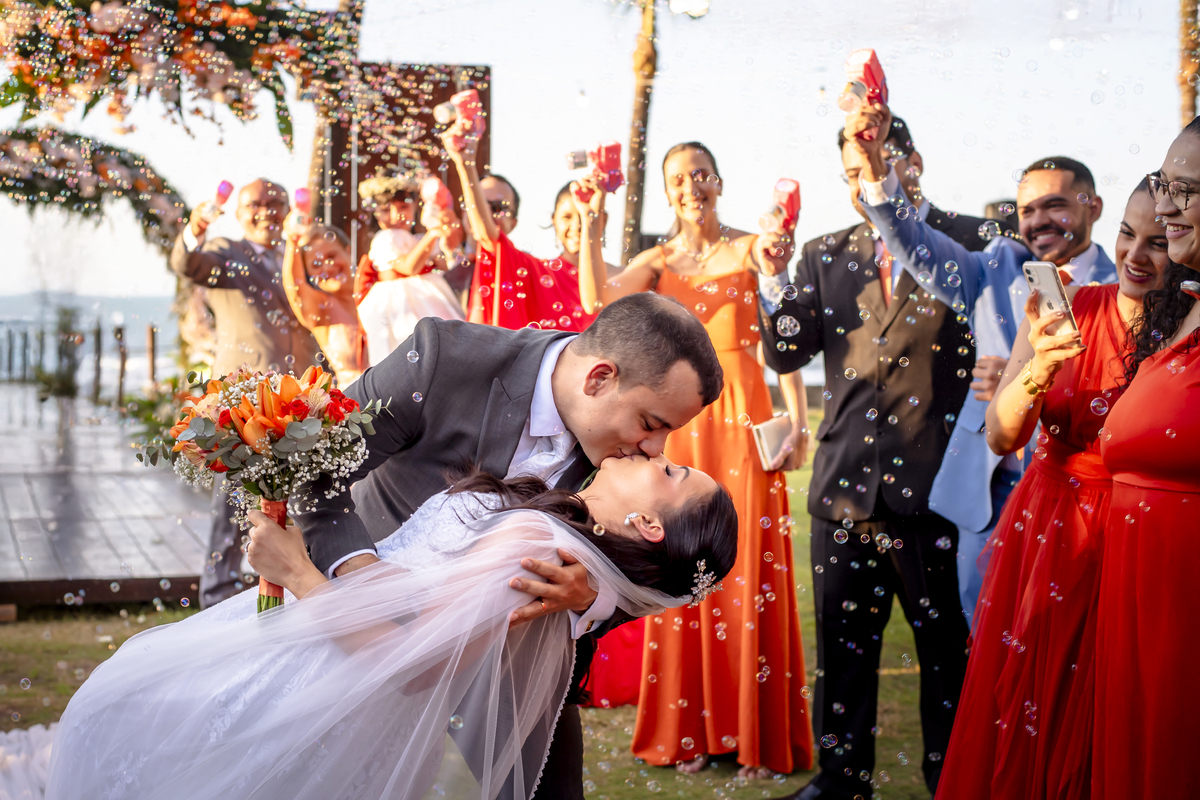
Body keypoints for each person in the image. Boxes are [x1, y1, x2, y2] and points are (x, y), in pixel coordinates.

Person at [29, 454, 738, 799]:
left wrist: (301, 572)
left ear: (648, 525)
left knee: (120, 714)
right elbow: (420, 602)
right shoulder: (565, 552)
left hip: (327, 675)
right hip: (327, 656)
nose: (655, 449)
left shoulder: (540, 552)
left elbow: (412, 663)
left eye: (670, 470)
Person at [271, 290, 723, 800]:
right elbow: (314, 470)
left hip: (518, 664)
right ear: (599, 378)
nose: (654, 449)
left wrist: (590, 599)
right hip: (372, 634)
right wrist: (361, 578)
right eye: (651, 423)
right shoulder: (442, 359)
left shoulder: (627, 468)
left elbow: (658, 564)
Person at [760, 117, 998, 800]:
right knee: (842, 656)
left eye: (873, 162)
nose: (860, 180)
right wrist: (774, 279)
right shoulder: (823, 252)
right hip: (843, 495)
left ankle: (950, 780)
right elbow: (786, 352)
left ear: (910, 160)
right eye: (850, 171)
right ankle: (840, 783)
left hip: (940, 496)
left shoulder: (972, 242)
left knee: (946, 658)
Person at [578, 141, 813, 779]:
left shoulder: (750, 246)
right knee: (684, 562)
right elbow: (599, 297)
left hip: (745, 419)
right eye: (677, 179)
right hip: (685, 422)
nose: (690, 187)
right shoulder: (656, 261)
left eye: (700, 175)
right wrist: (594, 221)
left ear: (719, 182)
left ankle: (757, 738)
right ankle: (692, 731)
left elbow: (779, 338)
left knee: (750, 569)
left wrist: (794, 418)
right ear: (666, 189)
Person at [931, 180, 1167, 800]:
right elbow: (1003, 435)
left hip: (1134, 536)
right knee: (1029, 697)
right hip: (1047, 527)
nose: (1136, 255)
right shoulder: (1069, 305)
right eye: (1127, 234)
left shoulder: (1183, 332)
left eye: (1159, 241)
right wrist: (1039, 364)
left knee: (1109, 702)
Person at [847, 101, 1117, 631]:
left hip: (1081, 495)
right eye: (1028, 210)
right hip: (990, 494)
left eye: (1055, 206)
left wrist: (1020, 387)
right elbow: (917, 245)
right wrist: (877, 165)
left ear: (1093, 205)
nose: (1038, 221)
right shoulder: (995, 267)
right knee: (987, 634)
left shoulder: (1123, 284)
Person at [1092, 123, 1200, 800]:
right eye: (1165, 185)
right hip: (1133, 586)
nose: (1164, 207)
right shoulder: (1179, 305)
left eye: (1186, 191)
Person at [170, 178, 324, 608]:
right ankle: (217, 592)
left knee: (293, 495)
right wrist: (196, 228)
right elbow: (187, 263)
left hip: (299, 398)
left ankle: (281, 585)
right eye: (256, 203)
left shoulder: (295, 255)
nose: (268, 211)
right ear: (239, 213)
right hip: (246, 399)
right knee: (233, 497)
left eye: (277, 202)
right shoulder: (226, 253)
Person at [443, 127, 615, 332]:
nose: (577, 226)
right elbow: (487, 234)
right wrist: (466, 165)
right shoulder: (535, 270)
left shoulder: (621, 277)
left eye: (583, 216)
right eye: (567, 217)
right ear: (554, 220)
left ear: (602, 219)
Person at [353, 174, 466, 367]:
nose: (397, 216)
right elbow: (409, 267)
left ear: (415, 206)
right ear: (376, 213)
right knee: (407, 347)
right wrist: (433, 234)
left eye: (403, 207)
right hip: (399, 303)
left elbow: (447, 265)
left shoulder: (418, 239)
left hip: (428, 296)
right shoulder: (385, 238)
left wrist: (448, 240)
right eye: (386, 209)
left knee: (443, 342)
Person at [280, 220, 366, 388]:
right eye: (316, 265)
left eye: (332, 256)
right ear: (309, 274)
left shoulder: (377, 291)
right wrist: (293, 240)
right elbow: (295, 288)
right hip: (357, 405)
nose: (327, 267)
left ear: (348, 251)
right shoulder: (322, 309)